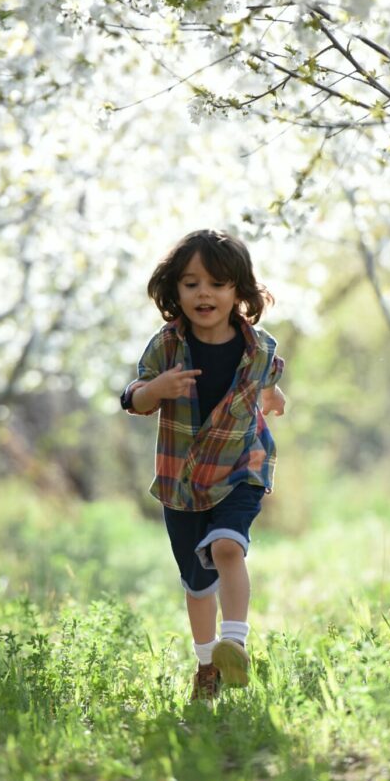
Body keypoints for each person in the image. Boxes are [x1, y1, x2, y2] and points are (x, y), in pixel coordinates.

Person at [120, 228, 286, 701]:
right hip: (184, 480)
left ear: (239, 292)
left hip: (242, 465)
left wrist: (274, 398)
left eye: (216, 283)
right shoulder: (167, 347)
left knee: (227, 548)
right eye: (191, 284)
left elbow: (267, 380)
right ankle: (207, 663)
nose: (203, 293)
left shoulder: (259, 348)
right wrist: (155, 391)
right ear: (175, 291)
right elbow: (133, 395)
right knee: (197, 582)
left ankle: (234, 642)